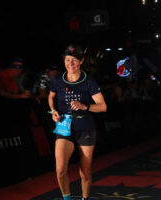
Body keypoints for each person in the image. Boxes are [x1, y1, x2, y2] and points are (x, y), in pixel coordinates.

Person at [48, 44, 107, 200]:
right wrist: (53, 110)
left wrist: (84, 106)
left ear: (81, 61)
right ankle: (66, 198)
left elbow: (103, 107)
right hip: (64, 126)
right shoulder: (57, 80)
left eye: (74, 60)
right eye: (68, 60)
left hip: (85, 127)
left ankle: (84, 198)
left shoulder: (89, 81)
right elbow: (50, 97)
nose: (71, 64)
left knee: (85, 172)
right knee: (60, 169)